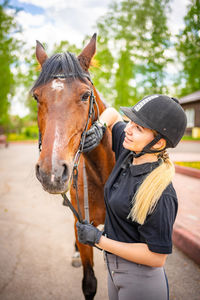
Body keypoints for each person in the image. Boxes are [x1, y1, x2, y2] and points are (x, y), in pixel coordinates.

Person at [76, 94, 187, 300]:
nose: (128, 129)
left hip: (141, 280)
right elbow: (113, 115)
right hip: (113, 270)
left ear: (157, 143)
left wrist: (99, 239)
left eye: (139, 128)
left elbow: (156, 257)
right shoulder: (128, 153)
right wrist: (100, 126)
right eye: (131, 122)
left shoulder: (160, 192)